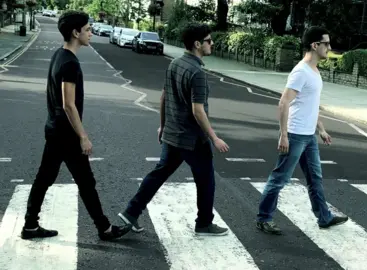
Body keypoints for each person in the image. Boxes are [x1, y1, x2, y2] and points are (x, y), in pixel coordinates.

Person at [21, 11, 132, 241]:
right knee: (85, 182)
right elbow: (69, 105)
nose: (91, 33)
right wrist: (83, 136)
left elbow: (53, 96)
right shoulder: (70, 63)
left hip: (54, 129)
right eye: (88, 29)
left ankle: (31, 225)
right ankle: (104, 229)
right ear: (76, 32)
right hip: (67, 134)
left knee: (45, 178)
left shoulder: (58, 55)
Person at [118, 22, 230, 236]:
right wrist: (214, 138)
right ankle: (204, 224)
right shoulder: (197, 73)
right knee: (206, 180)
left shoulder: (175, 63)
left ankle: (131, 211)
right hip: (192, 139)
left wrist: (162, 125)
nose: (212, 43)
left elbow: (163, 97)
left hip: (172, 134)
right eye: (208, 40)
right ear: (198, 44)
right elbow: (198, 111)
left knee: (159, 174)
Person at [255, 26, 349, 235]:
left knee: (315, 178)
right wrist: (284, 134)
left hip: (309, 136)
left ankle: (324, 217)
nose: (329, 47)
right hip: (296, 135)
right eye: (326, 43)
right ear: (315, 46)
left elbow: (310, 105)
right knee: (280, 178)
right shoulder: (301, 71)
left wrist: (321, 129)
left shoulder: (314, 71)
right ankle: (264, 218)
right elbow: (284, 102)